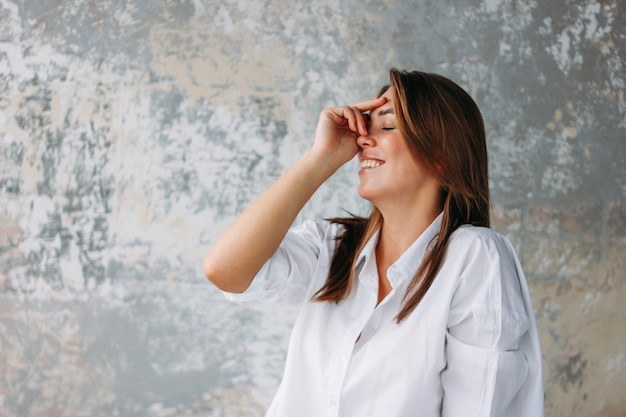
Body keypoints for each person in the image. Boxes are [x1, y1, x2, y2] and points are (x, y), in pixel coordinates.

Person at [203, 68, 544, 417]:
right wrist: (320, 159)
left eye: (388, 125)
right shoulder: (335, 247)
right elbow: (224, 271)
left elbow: (478, 407)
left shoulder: (473, 257)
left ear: (441, 154)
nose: (363, 139)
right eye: (366, 126)